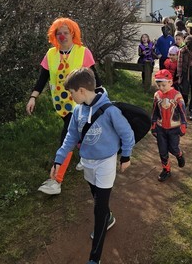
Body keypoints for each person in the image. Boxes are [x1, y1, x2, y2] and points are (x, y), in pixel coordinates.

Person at [50, 68, 135, 264]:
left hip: (106, 163)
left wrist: (126, 156)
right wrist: (58, 159)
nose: (70, 97)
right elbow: (71, 137)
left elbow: (127, 134)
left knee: (99, 208)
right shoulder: (77, 110)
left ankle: (94, 258)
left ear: (81, 90)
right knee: (95, 195)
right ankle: (108, 217)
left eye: (71, 93)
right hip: (87, 162)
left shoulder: (110, 111)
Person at [26, 17, 98, 195]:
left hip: (79, 104)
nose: (63, 36)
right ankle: (87, 156)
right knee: (79, 131)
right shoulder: (51, 54)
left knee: (67, 138)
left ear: (73, 34)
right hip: (60, 105)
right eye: (59, 33)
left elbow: (95, 79)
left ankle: (56, 181)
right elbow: (42, 78)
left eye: (66, 32)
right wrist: (33, 97)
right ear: (54, 35)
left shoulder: (83, 52)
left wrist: (100, 102)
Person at [151, 69, 187, 182]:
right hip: (160, 128)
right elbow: (154, 111)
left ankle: (179, 155)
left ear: (170, 82)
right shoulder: (157, 95)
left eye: (163, 85)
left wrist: (183, 124)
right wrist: (153, 124)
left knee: (173, 148)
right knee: (162, 151)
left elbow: (182, 111)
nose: (161, 87)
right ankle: (166, 170)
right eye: (159, 85)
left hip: (174, 129)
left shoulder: (177, 95)